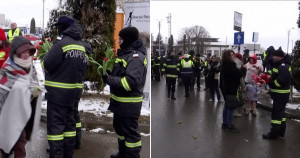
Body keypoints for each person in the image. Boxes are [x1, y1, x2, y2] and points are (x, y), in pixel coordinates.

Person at [43, 15, 89, 158]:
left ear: (63, 28)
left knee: (56, 128)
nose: (57, 29)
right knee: (69, 127)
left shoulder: (62, 44)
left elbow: (48, 63)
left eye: (58, 26)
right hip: (73, 94)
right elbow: (84, 68)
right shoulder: (81, 46)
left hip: (58, 95)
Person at [102, 26, 147, 158]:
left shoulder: (135, 57)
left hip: (129, 104)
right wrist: (110, 73)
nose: (119, 41)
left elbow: (130, 83)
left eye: (121, 39)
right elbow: (121, 74)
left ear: (128, 39)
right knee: (120, 130)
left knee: (131, 135)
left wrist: (109, 79)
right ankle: (123, 154)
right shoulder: (126, 53)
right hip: (120, 103)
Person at [0, 36, 43, 158]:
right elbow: (2, 92)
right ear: (16, 53)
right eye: (23, 52)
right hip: (8, 113)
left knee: (20, 144)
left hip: (23, 112)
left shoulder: (30, 67)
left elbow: (33, 83)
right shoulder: (7, 69)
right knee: (7, 144)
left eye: (28, 51)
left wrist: (35, 90)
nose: (26, 55)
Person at [263, 47, 291, 140]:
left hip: (280, 94)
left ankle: (273, 134)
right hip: (280, 94)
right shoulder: (280, 64)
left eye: (274, 56)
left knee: (276, 115)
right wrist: (265, 74)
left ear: (279, 57)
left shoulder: (284, 66)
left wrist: (270, 82)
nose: (273, 57)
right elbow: (274, 72)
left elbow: (281, 81)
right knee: (281, 114)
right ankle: (280, 133)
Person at [220, 50, 243, 133]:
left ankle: (225, 124)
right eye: (232, 55)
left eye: (234, 54)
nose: (234, 56)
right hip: (231, 89)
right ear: (227, 56)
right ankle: (229, 125)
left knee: (227, 106)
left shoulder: (224, 64)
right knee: (231, 107)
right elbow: (238, 75)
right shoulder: (230, 65)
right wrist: (243, 69)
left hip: (226, 89)